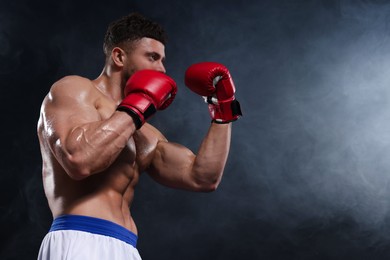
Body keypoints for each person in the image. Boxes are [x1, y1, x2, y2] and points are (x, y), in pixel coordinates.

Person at [37, 12, 242, 260]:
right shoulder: (75, 90)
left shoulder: (146, 132)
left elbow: (202, 177)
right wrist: (138, 106)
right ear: (119, 56)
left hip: (126, 247)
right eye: (152, 57)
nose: (162, 69)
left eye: (163, 60)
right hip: (80, 238)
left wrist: (223, 108)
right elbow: (79, 159)